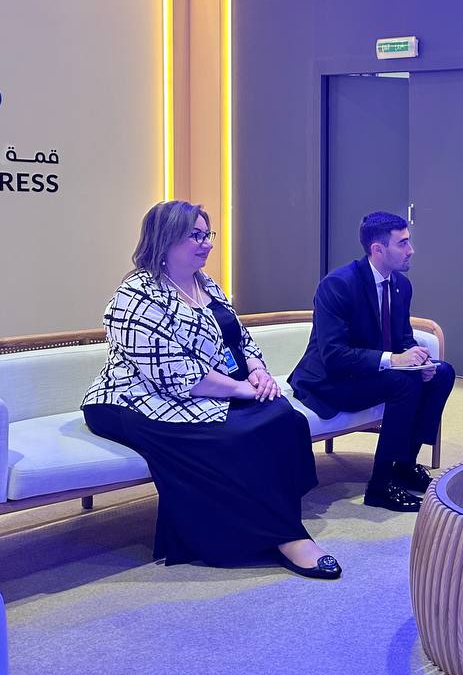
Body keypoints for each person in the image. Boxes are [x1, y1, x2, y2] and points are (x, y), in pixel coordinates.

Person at [82, 201, 339, 580]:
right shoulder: (135, 294)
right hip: (133, 398)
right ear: (165, 238)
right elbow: (174, 375)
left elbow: (239, 338)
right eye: (196, 236)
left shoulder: (206, 283)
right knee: (234, 435)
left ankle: (276, 519)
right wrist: (241, 390)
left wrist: (258, 371)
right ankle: (286, 536)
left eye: (208, 235)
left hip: (208, 388)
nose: (207, 244)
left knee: (283, 417)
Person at [290, 211, 454, 513]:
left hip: (368, 374)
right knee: (403, 383)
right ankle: (380, 486)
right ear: (378, 249)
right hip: (329, 381)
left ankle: (404, 464)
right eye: (402, 243)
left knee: (443, 373)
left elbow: (403, 336)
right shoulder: (338, 285)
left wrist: (418, 358)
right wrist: (395, 360)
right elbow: (334, 355)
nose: (411, 250)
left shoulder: (401, 285)